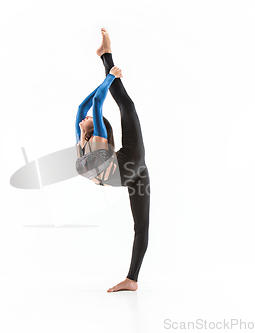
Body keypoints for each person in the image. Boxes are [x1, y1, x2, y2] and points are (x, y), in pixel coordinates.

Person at [74, 28, 151, 292]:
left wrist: (108, 79)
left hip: (130, 171)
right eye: (87, 123)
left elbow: (88, 108)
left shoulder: (87, 140)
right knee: (127, 107)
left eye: (89, 122)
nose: (84, 120)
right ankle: (105, 55)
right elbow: (89, 107)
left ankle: (132, 279)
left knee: (141, 225)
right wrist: (109, 76)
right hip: (130, 162)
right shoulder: (92, 141)